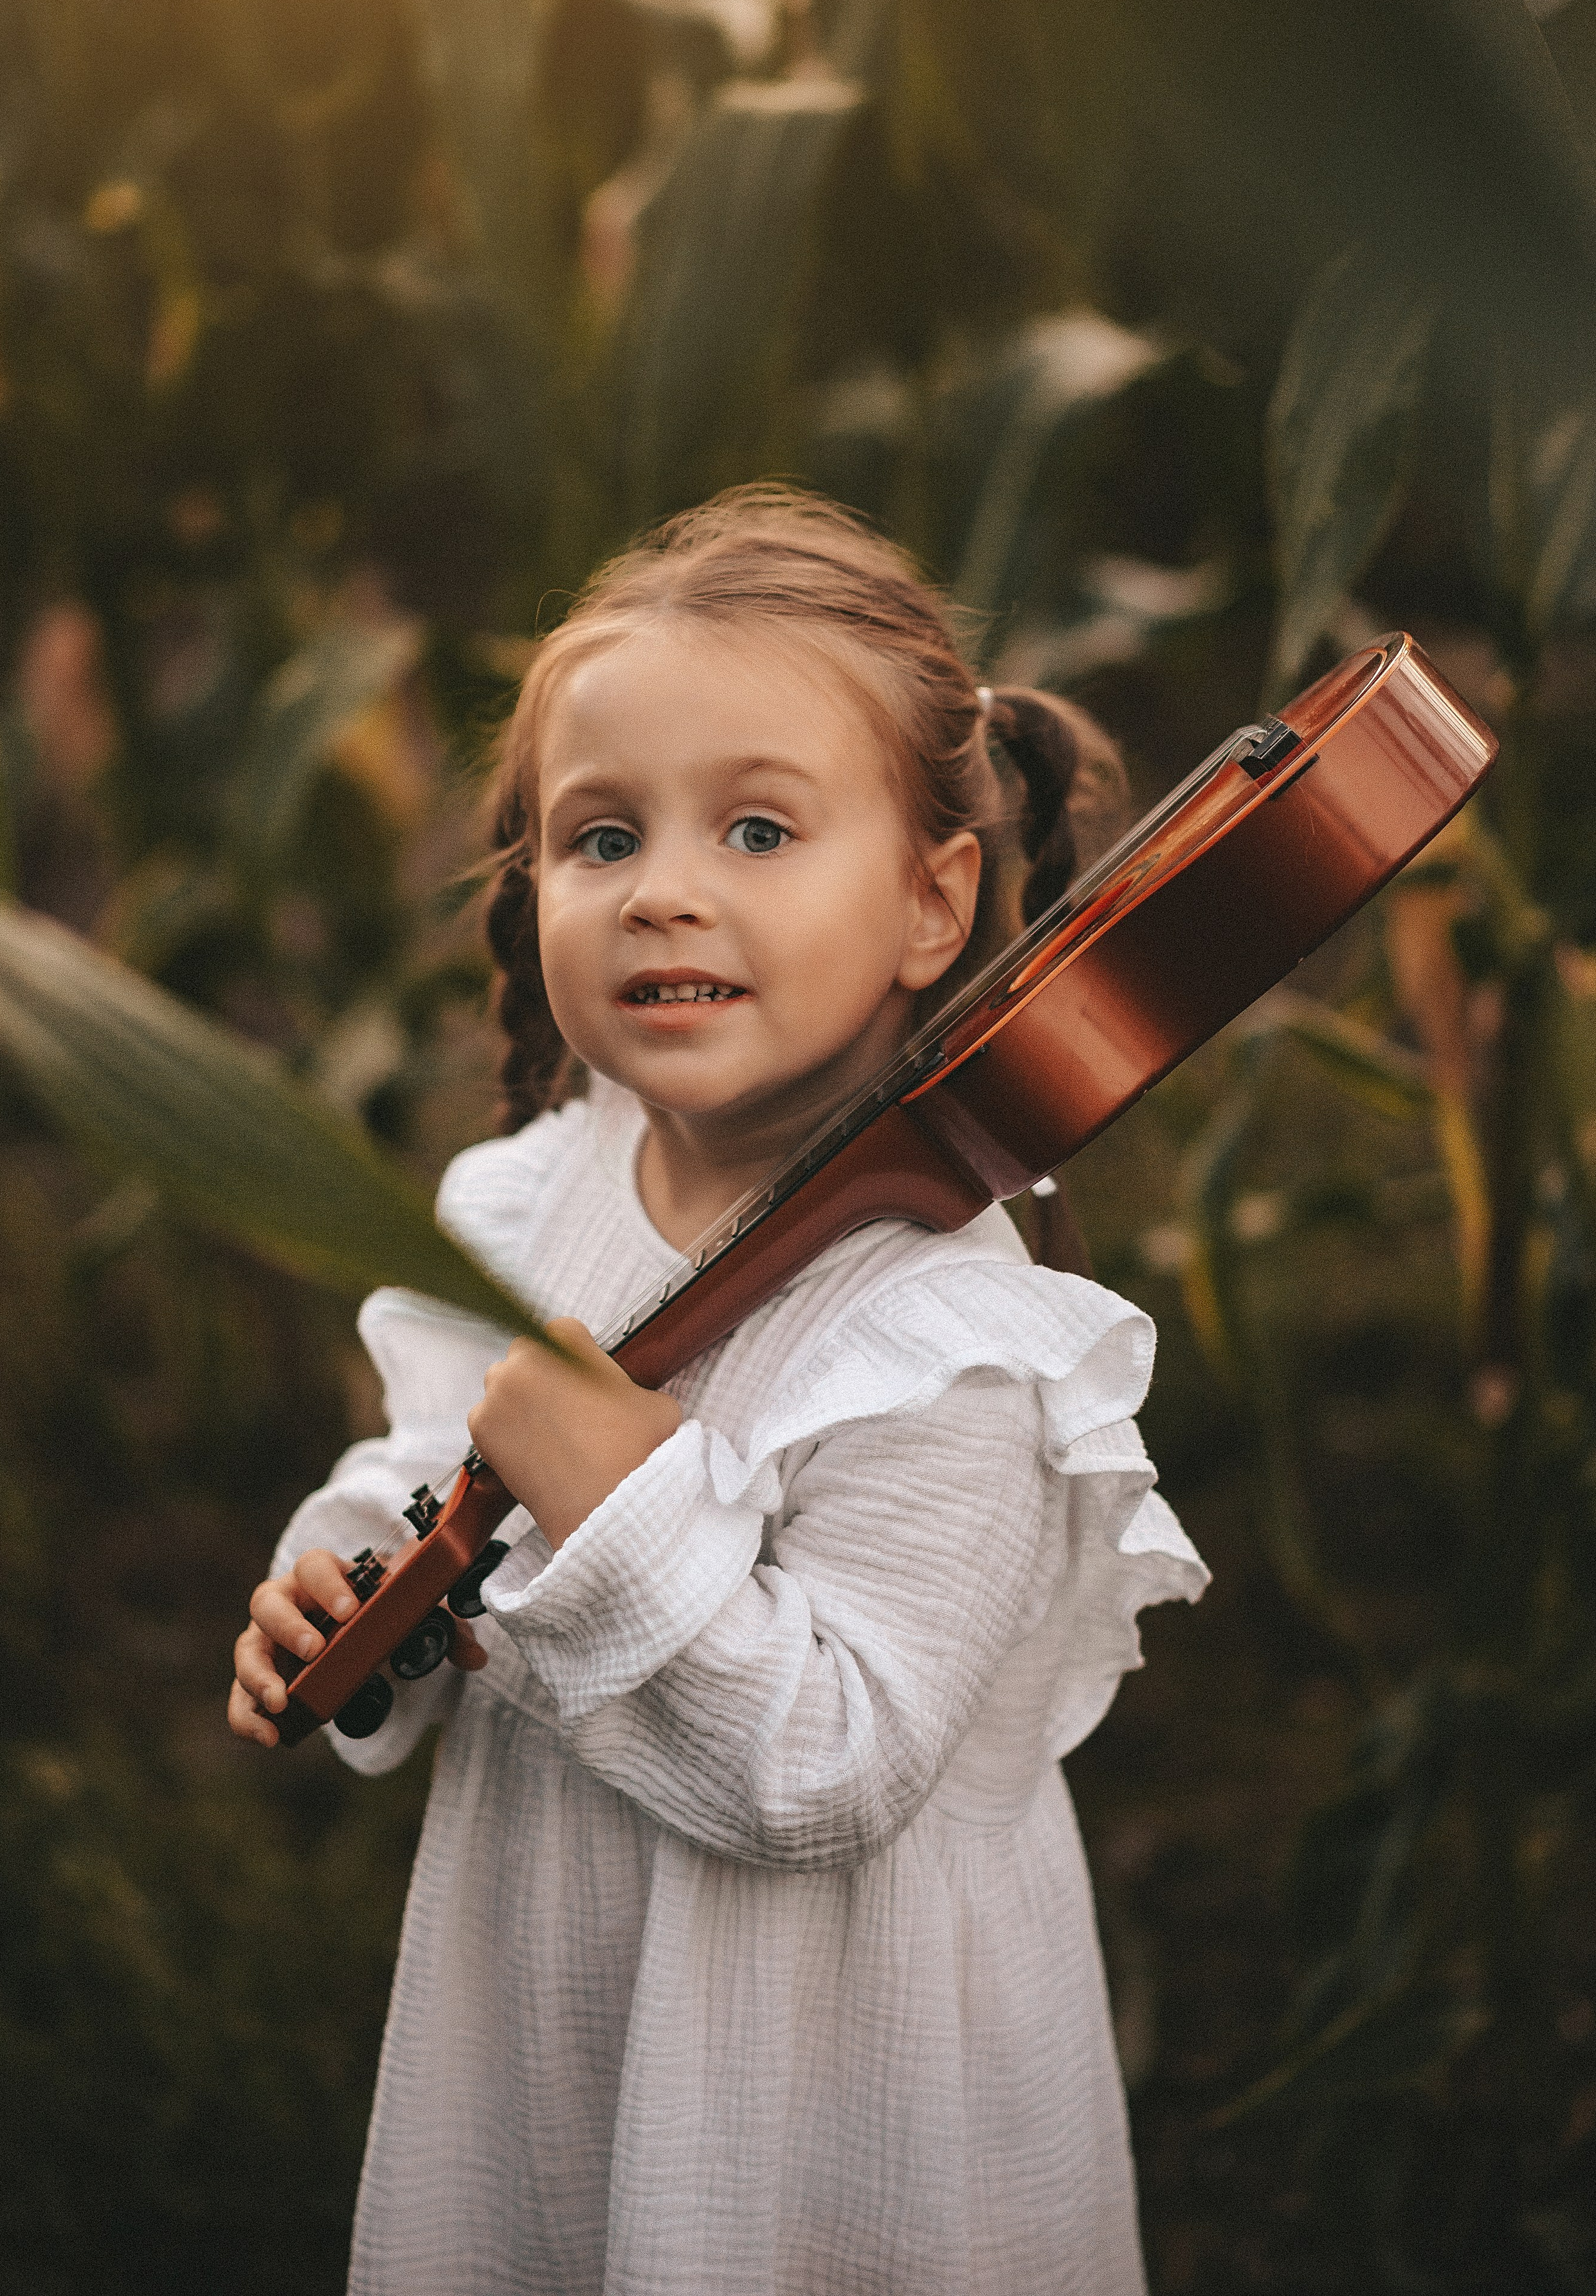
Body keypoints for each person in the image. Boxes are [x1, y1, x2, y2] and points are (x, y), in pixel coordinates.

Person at [228, 487, 1208, 2296]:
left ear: (932, 900)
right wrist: (347, 1570)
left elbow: (830, 1770)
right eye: (602, 837)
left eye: (759, 827)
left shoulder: (954, 1334)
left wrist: (618, 1496)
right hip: (554, 1991)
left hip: (824, 2081)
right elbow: (431, 1464)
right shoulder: (525, 1205)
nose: (664, 887)